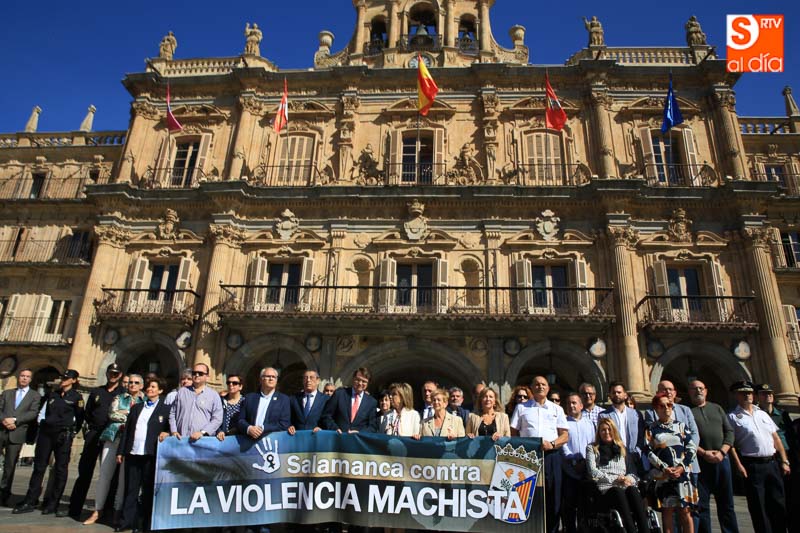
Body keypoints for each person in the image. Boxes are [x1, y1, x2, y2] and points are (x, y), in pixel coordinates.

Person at [14, 369, 84, 515]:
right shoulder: (53, 394)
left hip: (63, 435)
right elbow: (43, 412)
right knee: (39, 467)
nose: (63, 380)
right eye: (63, 378)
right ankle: (30, 500)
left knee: (60, 469)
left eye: (67, 378)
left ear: (74, 380)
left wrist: (71, 433)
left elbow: (79, 419)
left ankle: (53, 503)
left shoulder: (77, 398)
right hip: (46, 434)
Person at [82, 373, 144, 526]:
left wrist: (125, 414)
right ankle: (97, 510)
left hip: (130, 442)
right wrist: (130, 417)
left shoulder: (144, 401)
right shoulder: (119, 398)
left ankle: (117, 510)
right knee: (104, 474)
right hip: (113, 437)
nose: (132, 385)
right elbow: (112, 413)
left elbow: (141, 419)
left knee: (123, 478)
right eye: (130, 382)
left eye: (136, 383)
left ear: (141, 386)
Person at [728, 380, 789, 533]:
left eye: (749, 393)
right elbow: (731, 444)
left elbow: (776, 439)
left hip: (772, 464)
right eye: (743, 393)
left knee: (778, 503)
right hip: (752, 465)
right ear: (736, 395)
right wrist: (738, 465)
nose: (747, 395)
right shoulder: (732, 417)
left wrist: (784, 460)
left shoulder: (762, 414)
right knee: (759, 506)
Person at [510, 376, 568, 533]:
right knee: (527, 493)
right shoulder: (521, 408)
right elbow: (513, 432)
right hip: (528, 457)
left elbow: (564, 435)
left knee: (553, 495)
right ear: (532, 388)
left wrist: (552, 444)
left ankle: (552, 529)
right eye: (536, 384)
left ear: (548, 388)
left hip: (551, 455)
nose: (540, 387)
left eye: (543, 384)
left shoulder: (557, 409)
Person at [65, 362, 123, 518]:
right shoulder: (97, 392)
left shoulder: (123, 394)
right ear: (107, 373)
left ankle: (106, 509)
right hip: (94, 434)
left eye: (116, 373)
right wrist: (91, 428)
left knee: (110, 474)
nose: (113, 376)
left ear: (120, 375)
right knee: (85, 470)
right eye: (111, 373)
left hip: (112, 436)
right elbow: (88, 412)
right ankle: (75, 508)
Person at [116, 376, 170, 533]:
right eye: (149, 386)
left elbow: (169, 428)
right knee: (131, 489)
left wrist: (167, 432)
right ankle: (126, 523)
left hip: (150, 455)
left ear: (160, 390)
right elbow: (127, 431)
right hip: (133, 453)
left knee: (147, 490)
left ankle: (144, 524)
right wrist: (121, 451)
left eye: (153, 387)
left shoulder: (165, 409)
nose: (150, 389)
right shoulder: (137, 408)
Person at [688, 380, 738, 533]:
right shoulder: (688, 412)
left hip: (722, 460)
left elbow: (729, 432)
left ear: (706, 391)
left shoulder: (717, 408)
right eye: (694, 389)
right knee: (702, 505)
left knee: (727, 504)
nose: (698, 391)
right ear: (689, 392)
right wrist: (703, 453)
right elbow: (687, 437)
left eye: (701, 388)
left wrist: (722, 452)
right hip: (700, 462)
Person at [645, 391, 698, 533]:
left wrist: (682, 466)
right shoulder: (651, 429)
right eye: (662, 406)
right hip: (664, 476)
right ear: (656, 409)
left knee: (685, 512)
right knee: (667, 512)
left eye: (669, 405)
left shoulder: (681, 426)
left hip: (682, 474)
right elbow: (648, 451)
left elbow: (691, 447)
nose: (666, 408)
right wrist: (664, 468)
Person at [586, 418, 649, 533]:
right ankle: (631, 530)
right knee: (617, 491)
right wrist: (615, 479)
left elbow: (632, 472)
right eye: (603, 430)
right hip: (605, 489)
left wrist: (628, 479)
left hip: (623, 485)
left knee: (633, 490)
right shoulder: (592, 448)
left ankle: (645, 530)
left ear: (614, 430)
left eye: (609, 429)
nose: (607, 432)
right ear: (599, 433)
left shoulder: (622, 448)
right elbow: (593, 471)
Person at [756, 381, 798, 530]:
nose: (768, 396)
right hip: (771, 459)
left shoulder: (783, 414)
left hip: (787, 457)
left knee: (791, 496)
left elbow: (791, 436)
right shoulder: (756, 415)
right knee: (774, 498)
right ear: (757, 397)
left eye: (770, 393)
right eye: (764, 394)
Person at [0, 368, 41, 506]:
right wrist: (4, 420)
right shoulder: (7, 393)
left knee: (9, 466)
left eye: (27, 376)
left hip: (17, 433)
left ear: (31, 379)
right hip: (2, 430)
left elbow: (33, 413)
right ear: (18, 377)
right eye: (22, 375)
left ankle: (4, 494)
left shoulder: (35, 395)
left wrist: (15, 420)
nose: (24, 378)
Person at [560, 392, 595, 533]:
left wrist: (586, 462)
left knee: (586, 505)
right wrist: (574, 461)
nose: (571, 405)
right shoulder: (563, 423)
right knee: (569, 505)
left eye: (574, 403)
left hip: (587, 469)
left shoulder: (589, 423)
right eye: (568, 403)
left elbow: (593, 443)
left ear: (581, 405)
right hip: (569, 469)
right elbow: (563, 445)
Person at [169, 363, 223, 442]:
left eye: (200, 373)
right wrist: (174, 431)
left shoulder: (214, 395)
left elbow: (217, 419)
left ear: (207, 376)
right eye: (194, 373)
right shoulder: (182, 392)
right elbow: (173, 413)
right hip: (181, 440)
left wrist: (202, 432)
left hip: (202, 441)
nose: (197, 375)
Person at [237, 367, 290, 440]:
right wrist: (249, 428)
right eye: (268, 376)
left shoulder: (284, 399)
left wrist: (263, 428)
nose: (271, 379)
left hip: (272, 441)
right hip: (249, 441)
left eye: (274, 377)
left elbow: (284, 424)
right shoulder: (249, 398)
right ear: (261, 379)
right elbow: (240, 420)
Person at [320, 367, 378, 433]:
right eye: (358, 380)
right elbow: (326, 415)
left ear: (368, 383)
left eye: (364, 381)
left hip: (357, 438)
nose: (360, 383)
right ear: (353, 379)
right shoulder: (339, 394)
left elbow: (373, 426)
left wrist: (360, 433)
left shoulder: (371, 402)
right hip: (338, 436)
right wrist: (334, 428)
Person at [599, 382, 644, 460]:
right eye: (613, 393)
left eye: (619, 392)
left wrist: (638, 451)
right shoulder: (604, 415)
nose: (616, 394)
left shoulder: (636, 414)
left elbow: (641, 436)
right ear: (610, 395)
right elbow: (602, 438)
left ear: (625, 395)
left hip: (634, 456)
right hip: (615, 457)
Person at [288, 369, 328, 435]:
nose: (308, 380)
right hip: (297, 436)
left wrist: (322, 428)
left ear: (318, 381)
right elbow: (287, 417)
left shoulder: (326, 399)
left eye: (311, 377)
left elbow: (329, 419)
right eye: (305, 378)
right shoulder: (293, 398)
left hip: (317, 436)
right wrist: (289, 426)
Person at [216, 373, 245, 440]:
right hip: (222, 438)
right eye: (228, 383)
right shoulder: (220, 401)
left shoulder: (245, 402)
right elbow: (214, 418)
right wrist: (219, 431)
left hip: (240, 438)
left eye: (234, 383)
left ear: (240, 386)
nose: (231, 385)